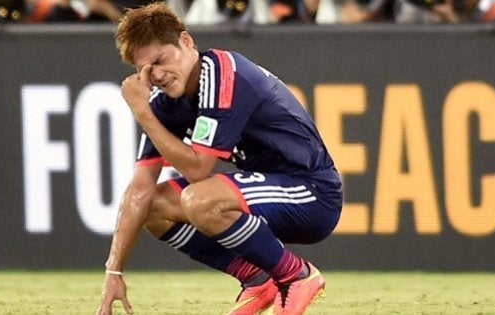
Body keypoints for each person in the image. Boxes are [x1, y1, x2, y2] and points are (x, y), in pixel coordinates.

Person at [96, 2, 343, 315]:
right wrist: (113, 271)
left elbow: (198, 169)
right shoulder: (167, 103)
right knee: (154, 207)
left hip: (313, 194)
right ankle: (256, 278)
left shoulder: (223, 73)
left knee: (200, 198)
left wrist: (143, 113)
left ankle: (296, 274)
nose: (156, 75)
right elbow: (139, 189)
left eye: (160, 60)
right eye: (145, 70)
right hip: (272, 195)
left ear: (186, 42)